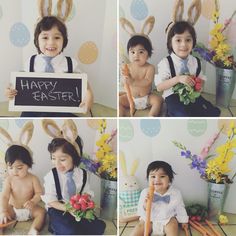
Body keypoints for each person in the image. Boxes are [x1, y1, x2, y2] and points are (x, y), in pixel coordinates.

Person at [5, 16, 93, 117]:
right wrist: (10, 91)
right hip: (33, 110)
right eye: (45, 37)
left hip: (62, 110)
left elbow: (84, 84)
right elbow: (18, 83)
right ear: (37, 40)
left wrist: (89, 94)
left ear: (64, 40)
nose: (51, 42)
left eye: (57, 37)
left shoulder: (70, 63)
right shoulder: (30, 62)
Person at [41, 137, 106, 235]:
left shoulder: (83, 174)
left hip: (77, 208)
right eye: (53, 158)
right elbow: (51, 201)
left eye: (62, 159)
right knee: (70, 232)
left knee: (98, 227)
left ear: (74, 157)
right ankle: (55, 226)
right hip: (59, 208)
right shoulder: (51, 176)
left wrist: (85, 201)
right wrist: (69, 209)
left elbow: (86, 192)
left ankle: (74, 225)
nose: (57, 164)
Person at [156, 21, 221, 117]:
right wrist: (178, 79)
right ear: (170, 43)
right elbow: (159, 87)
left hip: (191, 95)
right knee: (182, 115)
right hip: (172, 96)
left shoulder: (195, 61)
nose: (183, 44)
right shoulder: (166, 63)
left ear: (193, 41)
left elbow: (201, 79)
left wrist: (199, 84)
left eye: (188, 40)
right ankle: (170, 113)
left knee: (210, 112)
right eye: (178, 40)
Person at [131, 161, 188, 236]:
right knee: (140, 226)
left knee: (173, 225)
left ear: (170, 179)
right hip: (149, 220)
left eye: (162, 176)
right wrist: (145, 206)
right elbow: (140, 211)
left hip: (167, 220)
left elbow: (180, 208)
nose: (157, 180)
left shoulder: (175, 193)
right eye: (153, 176)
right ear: (148, 178)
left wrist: (183, 221)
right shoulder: (145, 192)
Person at [0, 145, 45, 235]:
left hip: (29, 209)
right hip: (13, 209)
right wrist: (3, 211)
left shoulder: (33, 179)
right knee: (1, 213)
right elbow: (4, 196)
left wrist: (33, 201)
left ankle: (33, 229)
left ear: (28, 165)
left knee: (42, 212)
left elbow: (39, 193)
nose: (14, 171)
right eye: (10, 167)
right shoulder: (9, 180)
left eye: (19, 168)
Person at [119, 35, 163, 117]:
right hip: (131, 98)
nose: (136, 55)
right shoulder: (127, 67)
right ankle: (122, 114)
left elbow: (148, 81)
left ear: (148, 54)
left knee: (158, 100)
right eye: (132, 52)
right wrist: (124, 79)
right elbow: (125, 84)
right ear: (128, 53)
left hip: (146, 98)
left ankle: (151, 115)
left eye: (141, 52)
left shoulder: (150, 68)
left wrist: (133, 81)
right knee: (119, 101)